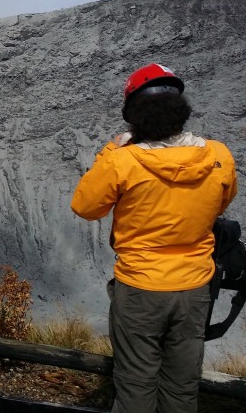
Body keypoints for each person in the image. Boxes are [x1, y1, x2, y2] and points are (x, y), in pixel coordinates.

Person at [71, 63, 237, 413]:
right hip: (194, 287)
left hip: (141, 288)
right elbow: (221, 203)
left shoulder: (122, 161)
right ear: (180, 110)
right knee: (182, 386)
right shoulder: (218, 155)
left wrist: (111, 150)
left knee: (136, 383)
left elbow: (85, 206)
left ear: (134, 116)